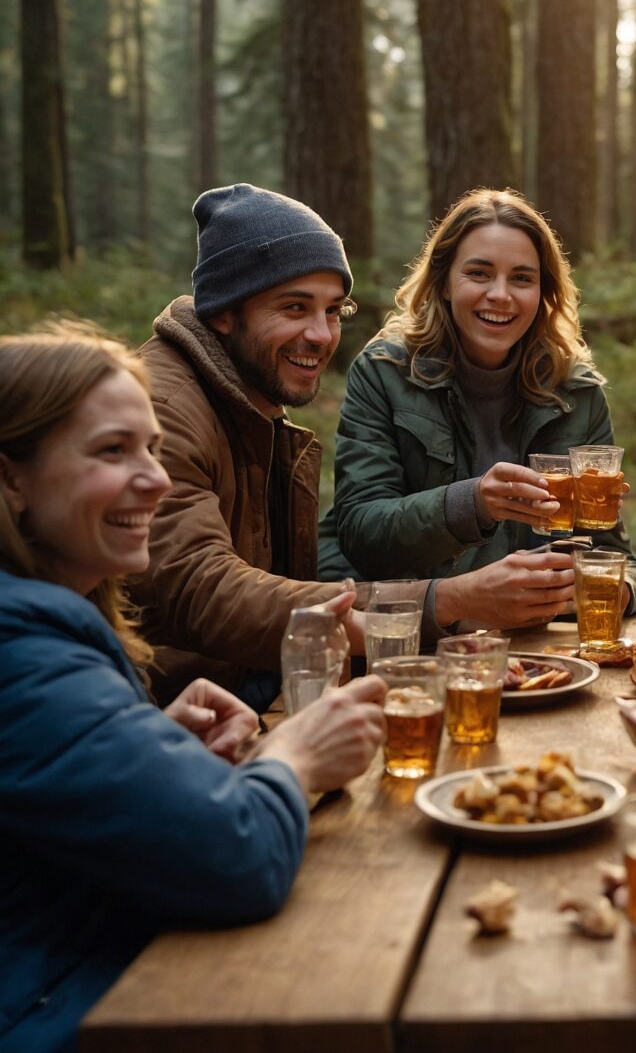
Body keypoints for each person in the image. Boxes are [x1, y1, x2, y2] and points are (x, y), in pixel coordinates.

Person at [0, 323, 385, 1053]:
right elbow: (238, 858)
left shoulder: (47, 620)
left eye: (150, 447)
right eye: (112, 451)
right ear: (12, 478)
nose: (157, 479)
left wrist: (150, 745)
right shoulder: (23, 653)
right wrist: (295, 758)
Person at [323, 188, 636, 632]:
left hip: (534, 649)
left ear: (543, 292)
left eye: (521, 278)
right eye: (479, 273)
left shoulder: (576, 391)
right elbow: (360, 530)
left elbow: (613, 555)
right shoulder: (387, 372)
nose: (501, 295)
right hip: (413, 637)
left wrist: (608, 588)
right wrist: (473, 503)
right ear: (443, 281)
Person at [129, 183, 391, 708]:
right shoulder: (161, 410)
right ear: (224, 312)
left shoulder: (248, 394)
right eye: (295, 308)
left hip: (250, 688)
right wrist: (412, 617)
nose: (321, 335)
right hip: (174, 717)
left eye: (334, 310)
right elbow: (200, 589)